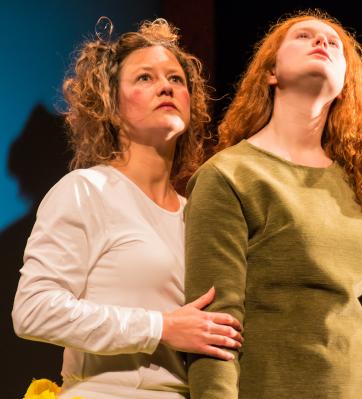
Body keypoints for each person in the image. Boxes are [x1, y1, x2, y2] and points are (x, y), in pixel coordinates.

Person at [184, 10, 362, 399]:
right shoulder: (230, 175)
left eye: (333, 43)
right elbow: (216, 324)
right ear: (271, 73)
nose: (322, 43)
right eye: (304, 37)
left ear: (346, 85)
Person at [12, 18, 242, 398]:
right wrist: (160, 328)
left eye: (176, 79)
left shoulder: (197, 214)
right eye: (145, 78)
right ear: (111, 106)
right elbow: (35, 310)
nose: (166, 86)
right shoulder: (87, 191)